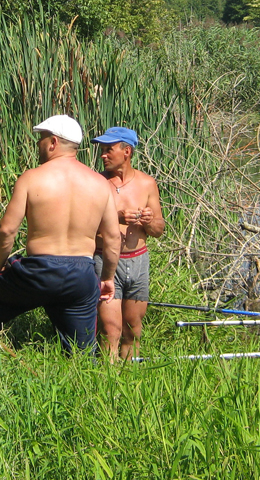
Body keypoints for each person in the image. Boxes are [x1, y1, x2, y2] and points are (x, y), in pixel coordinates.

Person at [0, 115, 121, 355]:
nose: (38, 144)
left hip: (39, 271)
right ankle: (84, 385)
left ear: (53, 143)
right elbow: (113, 238)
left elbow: (7, 230)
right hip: (82, 274)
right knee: (81, 353)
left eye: (41, 139)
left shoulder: (32, 177)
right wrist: (108, 278)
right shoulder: (100, 184)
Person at [92, 126, 165, 360]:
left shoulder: (147, 184)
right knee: (110, 329)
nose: (103, 155)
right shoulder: (96, 183)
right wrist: (116, 217)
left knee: (132, 329)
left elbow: (159, 230)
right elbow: (84, 227)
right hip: (106, 261)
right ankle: (107, 383)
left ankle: (129, 380)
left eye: (108, 150)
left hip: (138, 262)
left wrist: (149, 221)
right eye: (102, 150)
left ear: (127, 151)